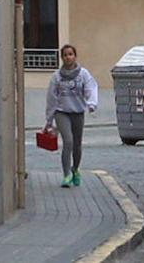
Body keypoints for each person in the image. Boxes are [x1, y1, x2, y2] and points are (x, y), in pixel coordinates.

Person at [44, 44, 99, 188]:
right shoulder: (56, 77)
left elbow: (91, 88)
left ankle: (75, 169)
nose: (68, 57)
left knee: (77, 144)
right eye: (65, 55)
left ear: (75, 56)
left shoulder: (83, 74)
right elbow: (51, 97)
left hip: (78, 112)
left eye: (71, 54)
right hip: (62, 112)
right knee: (68, 142)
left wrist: (92, 104)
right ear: (62, 58)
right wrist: (49, 119)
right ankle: (66, 174)